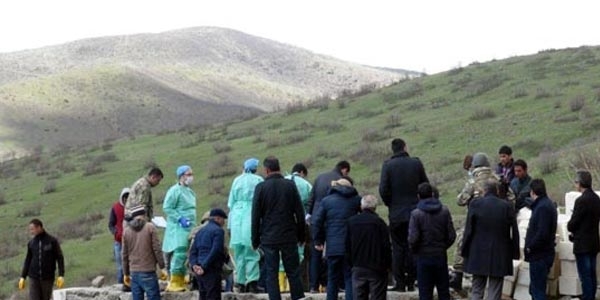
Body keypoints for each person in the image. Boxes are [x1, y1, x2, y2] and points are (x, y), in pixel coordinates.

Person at [252, 156, 306, 300]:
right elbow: (300, 212)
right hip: (289, 235)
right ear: (279, 168)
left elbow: (256, 216)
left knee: (271, 273)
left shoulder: (261, 188)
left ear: (267, 170)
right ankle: (298, 298)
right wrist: (302, 235)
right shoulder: (289, 185)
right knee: (293, 272)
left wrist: (255, 240)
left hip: (269, 237)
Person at [379, 138, 428, 292]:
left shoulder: (387, 166)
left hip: (396, 214)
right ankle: (412, 281)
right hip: (415, 211)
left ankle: (399, 283)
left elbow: (383, 189)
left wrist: (391, 204)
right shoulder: (416, 163)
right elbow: (424, 184)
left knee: (398, 248)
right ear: (405, 147)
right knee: (413, 246)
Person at [452, 152, 503, 292]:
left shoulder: (473, 182)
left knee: (462, 240)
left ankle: (458, 275)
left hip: (476, 221)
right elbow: (511, 198)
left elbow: (461, 201)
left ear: (474, 165)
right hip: (498, 222)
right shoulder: (497, 179)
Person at [461, 179, 520, 300]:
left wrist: (465, 250)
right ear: (497, 191)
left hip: (477, 252)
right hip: (500, 252)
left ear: (484, 191)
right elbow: (514, 231)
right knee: (495, 289)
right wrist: (514, 253)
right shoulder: (506, 206)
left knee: (477, 289)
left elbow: (468, 230)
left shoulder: (475, 204)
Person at [312, 177, 361, 300]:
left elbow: (317, 222)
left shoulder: (326, 201)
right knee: (349, 277)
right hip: (350, 247)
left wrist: (318, 240)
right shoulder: (356, 200)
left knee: (332, 278)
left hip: (333, 247)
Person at [306, 160, 350, 293]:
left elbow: (311, 198)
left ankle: (313, 286)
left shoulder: (319, 177)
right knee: (336, 254)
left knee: (315, 254)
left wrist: (309, 214)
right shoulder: (341, 180)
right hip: (332, 222)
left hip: (316, 220)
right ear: (344, 169)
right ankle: (338, 284)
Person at [408, 183, 456, 300]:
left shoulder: (416, 214)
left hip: (423, 256)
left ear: (418, 196)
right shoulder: (444, 211)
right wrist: (443, 246)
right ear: (433, 194)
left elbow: (413, 238)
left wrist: (415, 250)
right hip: (440, 255)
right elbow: (451, 235)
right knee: (444, 291)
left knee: (425, 292)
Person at [228, 158, 264, 293]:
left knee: (239, 253)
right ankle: (252, 282)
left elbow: (231, 203)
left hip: (236, 218)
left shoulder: (236, 180)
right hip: (250, 216)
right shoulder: (258, 180)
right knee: (252, 251)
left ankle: (241, 282)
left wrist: (230, 226)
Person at [346, 195, 391, 300]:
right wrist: (388, 265)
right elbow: (386, 247)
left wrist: (351, 263)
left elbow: (347, 246)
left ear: (361, 206)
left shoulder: (351, 222)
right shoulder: (380, 223)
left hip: (358, 266)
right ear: (375, 207)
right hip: (377, 268)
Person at [162, 165, 197, 292]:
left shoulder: (189, 191)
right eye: (188, 174)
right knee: (179, 253)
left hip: (189, 227)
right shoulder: (174, 191)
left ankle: (181, 280)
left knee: (184, 255)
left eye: (191, 174)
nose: (191, 177)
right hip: (178, 228)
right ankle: (174, 282)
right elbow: (167, 208)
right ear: (181, 176)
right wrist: (179, 218)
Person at [122, 205, 168, 300]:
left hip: (134, 273)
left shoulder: (126, 232)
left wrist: (126, 273)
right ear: (144, 214)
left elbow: (124, 255)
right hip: (148, 272)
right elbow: (157, 249)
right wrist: (162, 267)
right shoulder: (150, 227)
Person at [567, 170, 600, 300]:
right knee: (592, 274)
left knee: (585, 275)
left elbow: (573, 223)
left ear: (580, 183)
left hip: (582, 243)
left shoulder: (581, 200)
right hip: (594, 241)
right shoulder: (597, 199)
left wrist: (570, 226)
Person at [525, 179, 557, 300]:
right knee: (535, 289)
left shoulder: (542, 207)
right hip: (544, 253)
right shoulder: (547, 204)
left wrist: (530, 246)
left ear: (532, 192)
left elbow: (542, 233)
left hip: (539, 255)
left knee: (538, 291)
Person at [19, 219, 65, 300]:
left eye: (32, 229)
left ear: (39, 227)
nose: (31, 231)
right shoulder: (31, 243)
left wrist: (61, 275)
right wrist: (23, 277)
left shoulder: (52, 241)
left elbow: (59, 257)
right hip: (34, 278)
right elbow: (28, 260)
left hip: (47, 278)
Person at [284, 162, 313, 291]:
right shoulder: (306, 185)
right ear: (302, 172)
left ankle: (283, 286)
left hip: (282, 223)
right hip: (300, 223)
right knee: (301, 255)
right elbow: (310, 206)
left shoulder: (283, 181)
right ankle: (301, 286)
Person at [190, 208, 229, 300]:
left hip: (199, 271)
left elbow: (193, 251)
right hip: (211, 269)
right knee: (213, 296)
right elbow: (216, 250)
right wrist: (204, 266)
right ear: (218, 218)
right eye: (223, 220)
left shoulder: (200, 232)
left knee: (203, 295)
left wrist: (195, 265)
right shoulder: (218, 231)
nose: (224, 223)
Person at [108, 187, 130, 291]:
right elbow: (111, 224)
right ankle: (121, 285)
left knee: (130, 264)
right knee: (120, 266)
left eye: (128, 197)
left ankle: (130, 284)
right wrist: (115, 232)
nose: (126, 200)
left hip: (131, 241)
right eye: (125, 197)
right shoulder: (115, 208)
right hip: (119, 241)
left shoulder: (133, 208)